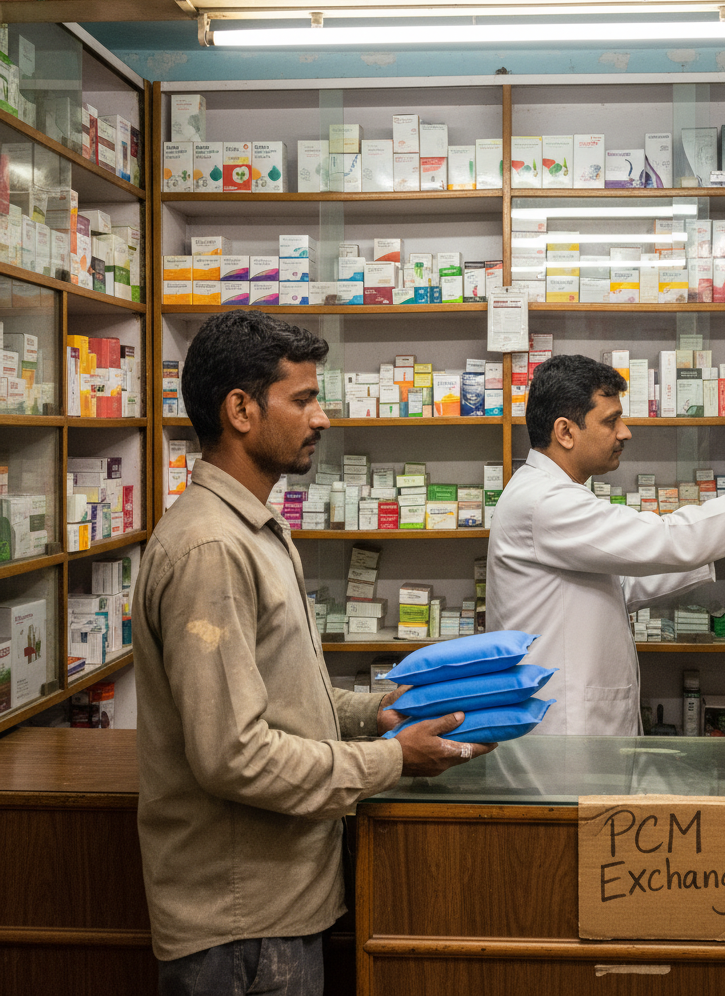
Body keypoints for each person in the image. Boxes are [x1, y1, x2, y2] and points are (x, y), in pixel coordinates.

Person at [132, 310, 494, 996]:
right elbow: (233, 755)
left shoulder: (257, 529)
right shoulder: (212, 548)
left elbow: (287, 699)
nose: (321, 418)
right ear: (240, 409)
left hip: (274, 907)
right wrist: (393, 758)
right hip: (239, 925)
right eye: (302, 399)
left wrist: (386, 709)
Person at [487, 354, 725, 736]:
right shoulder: (544, 502)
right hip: (562, 732)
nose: (625, 432)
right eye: (611, 420)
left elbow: (621, 584)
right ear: (565, 432)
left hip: (574, 726)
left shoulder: (550, 494)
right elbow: (667, 538)